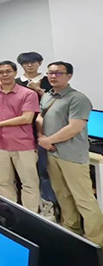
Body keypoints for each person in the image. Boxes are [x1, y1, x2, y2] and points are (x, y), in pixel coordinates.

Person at [36, 62, 103, 246]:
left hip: (72, 156)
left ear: (69, 76)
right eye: (50, 73)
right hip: (52, 154)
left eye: (58, 73)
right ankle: (72, 231)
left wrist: (48, 140)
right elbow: (41, 117)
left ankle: (95, 241)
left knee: (84, 199)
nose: (53, 76)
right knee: (63, 195)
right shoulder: (48, 95)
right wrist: (41, 135)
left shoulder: (78, 98)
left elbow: (74, 127)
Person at [0, 60, 41, 213]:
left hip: (22, 145)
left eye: (8, 71)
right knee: (4, 182)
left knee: (29, 183)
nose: (4, 74)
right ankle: (10, 215)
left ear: (15, 73)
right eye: (1, 72)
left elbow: (27, 118)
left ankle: (31, 216)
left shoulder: (28, 93)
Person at [16, 51, 57, 220]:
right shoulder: (17, 83)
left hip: (46, 131)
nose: (29, 65)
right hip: (21, 133)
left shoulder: (49, 81)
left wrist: (38, 90)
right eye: (25, 63)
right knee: (25, 171)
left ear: (39, 63)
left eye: (33, 62)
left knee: (44, 170)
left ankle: (49, 206)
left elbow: (57, 104)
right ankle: (29, 206)